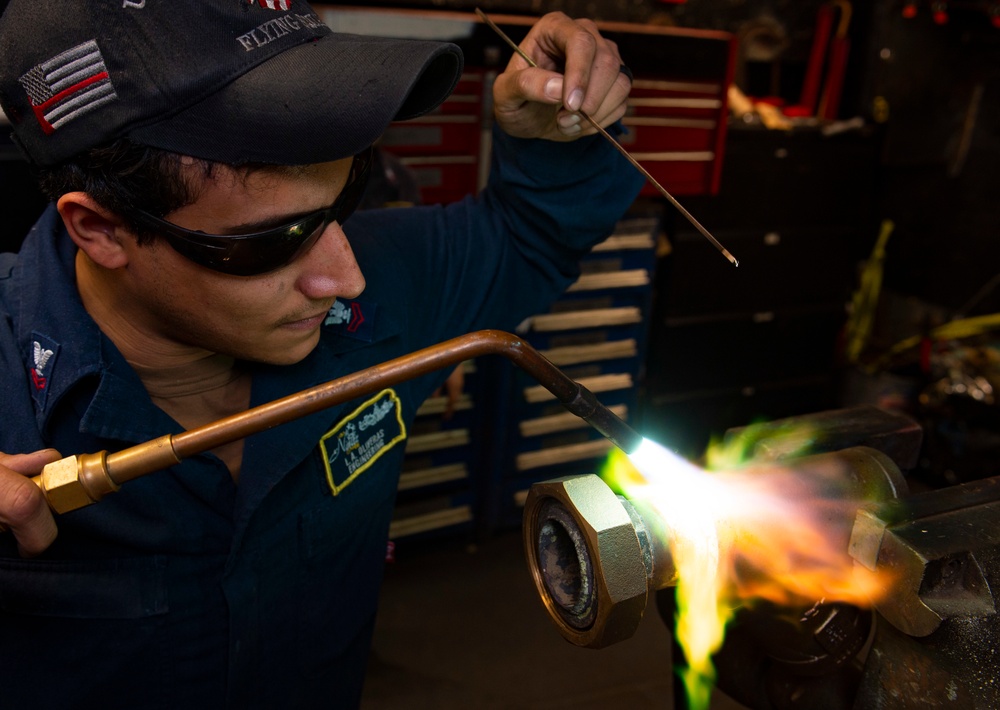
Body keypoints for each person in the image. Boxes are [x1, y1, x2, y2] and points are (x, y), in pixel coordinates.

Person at [0, 1, 642, 707]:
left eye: (344, 200)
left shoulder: (386, 292)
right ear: (102, 231)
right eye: (273, 241)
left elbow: (528, 234)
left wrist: (558, 138)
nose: (345, 278)